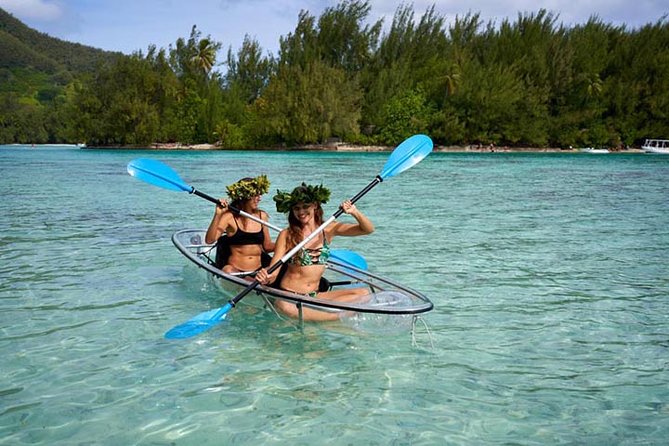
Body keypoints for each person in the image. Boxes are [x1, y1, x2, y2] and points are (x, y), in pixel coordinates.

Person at [255, 183, 374, 321]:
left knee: (363, 293)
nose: (301, 212)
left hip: (315, 295)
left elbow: (367, 229)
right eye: (297, 208)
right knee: (284, 306)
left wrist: (354, 212)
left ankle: (327, 317)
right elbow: (274, 272)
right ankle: (336, 317)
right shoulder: (287, 234)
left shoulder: (328, 229)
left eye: (306, 207)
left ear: (315, 206)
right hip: (291, 297)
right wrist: (266, 276)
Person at [205, 175, 275, 276]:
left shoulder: (261, 216)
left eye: (259, 195)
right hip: (235, 271)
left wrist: (288, 243)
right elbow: (209, 240)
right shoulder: (229, 217)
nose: (259, 199)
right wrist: (218, 215)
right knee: (227, 270)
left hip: (258, 271)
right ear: (244, 196)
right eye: (255, 195)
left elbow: (267, 247)